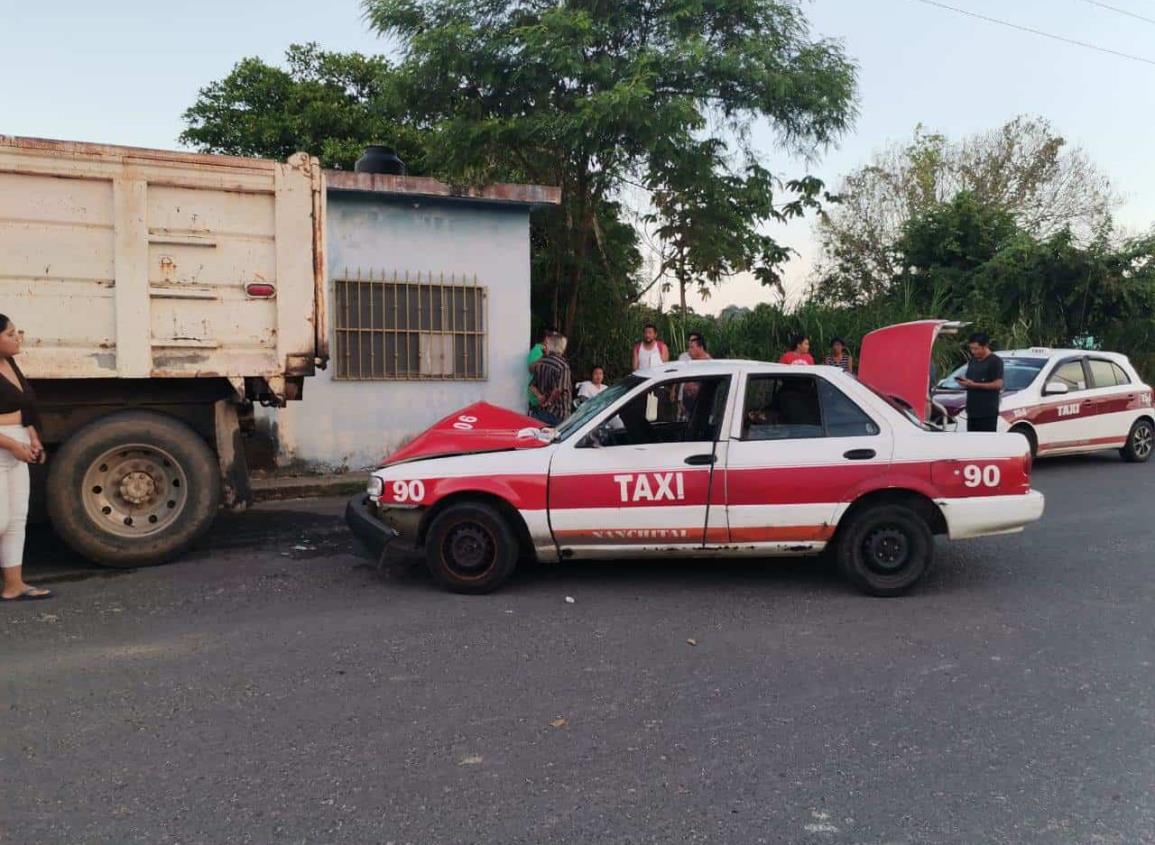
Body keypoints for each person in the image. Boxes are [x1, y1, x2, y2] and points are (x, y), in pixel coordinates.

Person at [0, 315, 50, 601]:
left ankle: (13, 585)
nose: (17, 337)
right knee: (1, 520)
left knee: (17, 519)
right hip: (4, 446)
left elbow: (26, 407)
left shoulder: (11, 364)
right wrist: (11, 444)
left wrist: (32, 437)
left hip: (18, 445)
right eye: (10, 334)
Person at [957, 331, 1005, 432]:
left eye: (976, 348)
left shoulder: (995, 361)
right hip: (972, 411)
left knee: (986, 443)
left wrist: (975, 385)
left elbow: (998, 384)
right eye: (971, 348)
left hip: (987, 412)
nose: (973, 351)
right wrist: (965, 383)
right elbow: (971, 380)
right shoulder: (973, 361)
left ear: (985, 346)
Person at [529, 333, 573, 426]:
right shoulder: (563, 366)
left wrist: (540, 397)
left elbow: (532, 386)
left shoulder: (541, 363)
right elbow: (558, 390)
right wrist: (549, 402)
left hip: (541, 413)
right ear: (562, 347)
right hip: (559, 414)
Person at [526, 326, 557, 414]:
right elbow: (532, 370)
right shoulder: (538, 351)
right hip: (538, 398)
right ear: (547, 339)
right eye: (554, 339)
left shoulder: (547, 352)